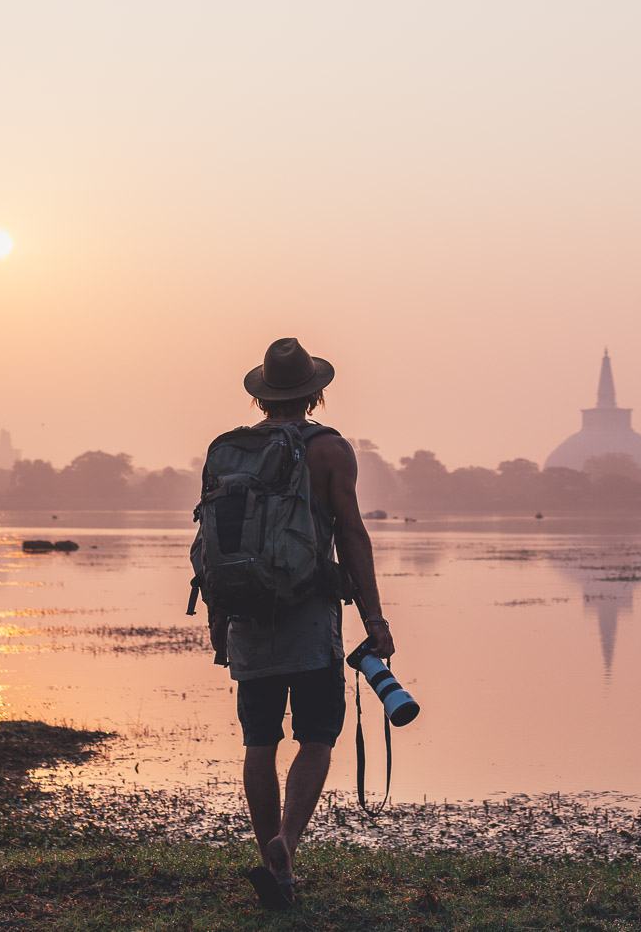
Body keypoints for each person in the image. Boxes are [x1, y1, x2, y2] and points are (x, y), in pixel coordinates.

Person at [215, 337, 393, 910]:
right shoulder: (331, 450)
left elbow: (215, 541)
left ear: (263, 397)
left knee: (258, 741)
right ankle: (287, 844)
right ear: (316, 393)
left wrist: (219, 621)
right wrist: (375, 617)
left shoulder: (229, 451)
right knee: (317, 738)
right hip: (310, 618)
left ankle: (273, 859)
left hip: (246, 616)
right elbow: (352, 535)